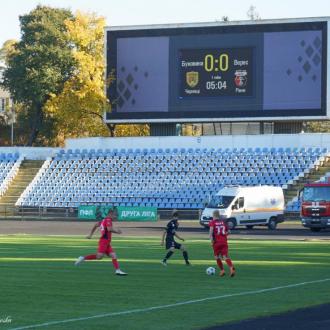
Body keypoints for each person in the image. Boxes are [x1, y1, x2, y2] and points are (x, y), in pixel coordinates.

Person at [75, 208, 127, 276]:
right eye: (114, 215)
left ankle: (118, 270)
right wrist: (118, 231)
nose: (115, 216)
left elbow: (95, 225)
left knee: (114, 255)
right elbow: (109, 229)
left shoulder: (103, 220)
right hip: (104, 241)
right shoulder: (108, 220)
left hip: (107, 242)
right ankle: (83, 258)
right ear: (110, 214)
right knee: (99, 257)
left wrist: (90, 235)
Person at [209, 210, 235, 277]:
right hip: (224, 242)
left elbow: (211, 233)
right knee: (225, 256)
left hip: (216, 242)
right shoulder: (223, 222)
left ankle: (222, 270)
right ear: (219, 215)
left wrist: (211, 241)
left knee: (217, 257)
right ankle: (231, 268)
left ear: (213, 215)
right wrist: (223, 235)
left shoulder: (212, 222)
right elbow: (229, 231)